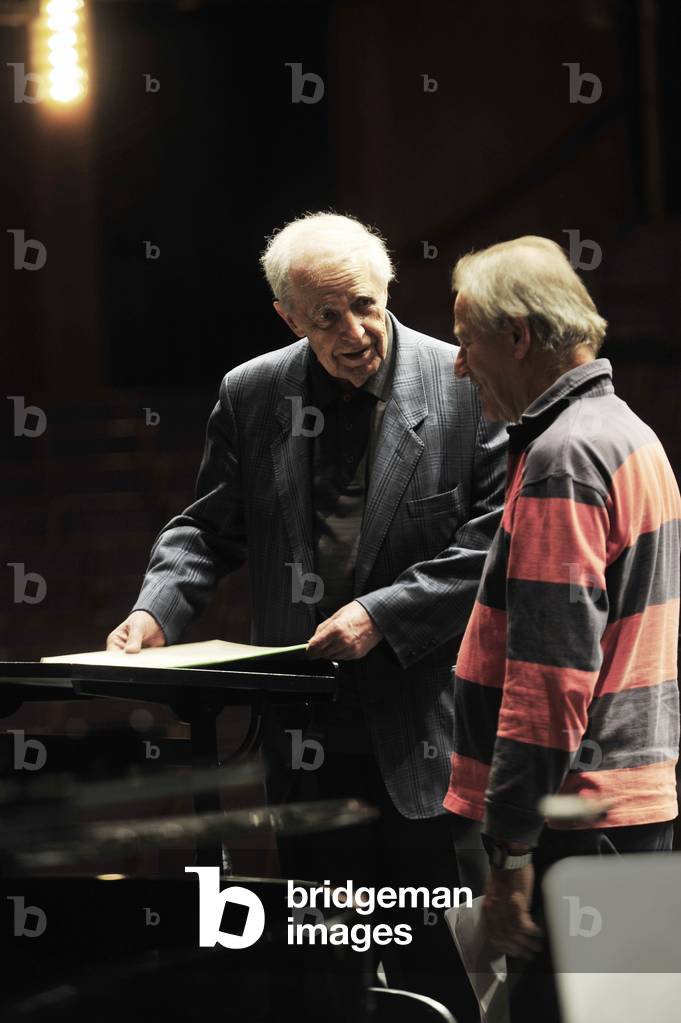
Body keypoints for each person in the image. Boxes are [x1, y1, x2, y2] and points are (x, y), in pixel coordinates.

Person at [107, 212, 507, 1018]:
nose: (352, 331)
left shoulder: (463, 380)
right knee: (326, 973)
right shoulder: (252, 392)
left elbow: (494, 541)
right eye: (325, 317)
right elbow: (204, 528)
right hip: (308, 737)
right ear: (288, 316)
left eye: (362, 304)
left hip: (431, 733)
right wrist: (155, 610)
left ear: (388, 288)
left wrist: (381, 616)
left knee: (445, 970)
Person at [443, 235, 681, 1018]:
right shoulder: (628, 433)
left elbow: (549, 677)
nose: (454, 363)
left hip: (574, 816)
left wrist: (509, 848)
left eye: (464, 338)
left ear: (516, 336)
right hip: (624, 807)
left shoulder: (563, 457)